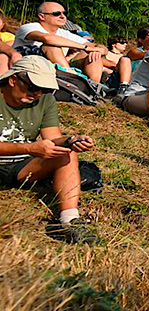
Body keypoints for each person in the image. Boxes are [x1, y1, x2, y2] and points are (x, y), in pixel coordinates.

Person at [0, 56, 99, 243]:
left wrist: (71, 140)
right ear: (13, 80)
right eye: (33, 87)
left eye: (44, 89)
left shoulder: (44, 101)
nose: (38, 93)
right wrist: (29, 148)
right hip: (21, 155)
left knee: (66, 152)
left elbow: (52, 138)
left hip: (21, 166)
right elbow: (32, 147)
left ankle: (69, 221)